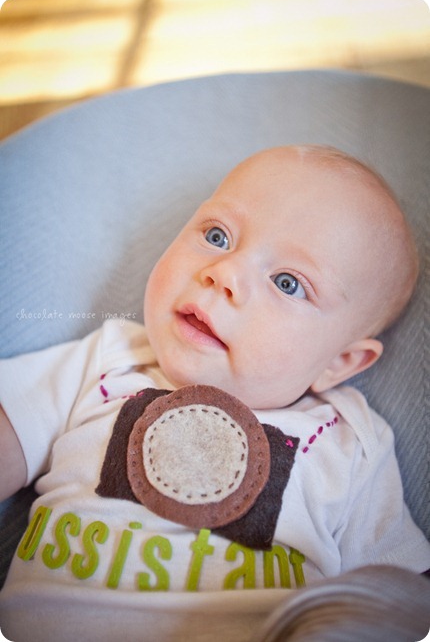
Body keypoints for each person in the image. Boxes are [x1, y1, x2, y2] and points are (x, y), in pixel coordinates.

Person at [0, 145, 429, 642]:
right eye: (217, 236)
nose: (223, 272)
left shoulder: (349, 440)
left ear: (341, 362)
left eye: (288, 283)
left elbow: (402, 592)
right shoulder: (108, 359)